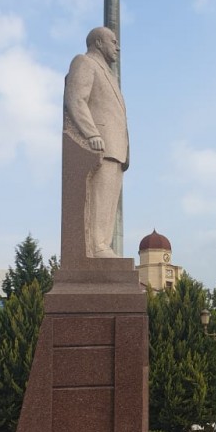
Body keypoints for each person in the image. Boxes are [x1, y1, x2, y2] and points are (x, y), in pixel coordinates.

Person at [63, 26, 129, 258]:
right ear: (99, 43)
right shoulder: (84, 62)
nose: (117, 46)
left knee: (109, 204)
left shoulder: (109, 74)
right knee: (99, 200)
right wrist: (91, 134)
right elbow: (76, 99)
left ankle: (103, 244)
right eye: (113, 41)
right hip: (101, 145)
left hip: (116, 149)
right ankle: (97, 245)